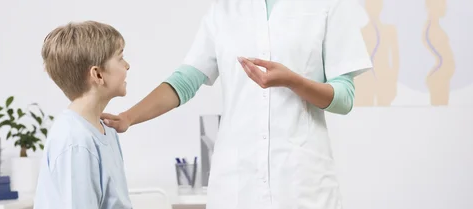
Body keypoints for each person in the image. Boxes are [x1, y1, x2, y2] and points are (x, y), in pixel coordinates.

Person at [102, 0, 372, 208]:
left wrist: (293, 81)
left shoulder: (328, 5)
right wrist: (128, 117)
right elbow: (186, 80)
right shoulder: (226, 9)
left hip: (302, 184)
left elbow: (344, 97)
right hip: (236, 183)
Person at [34, 21, 132, 209]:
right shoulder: (76, 141)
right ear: (98, 75)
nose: (127, 66)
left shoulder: (105, 129)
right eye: (120, 58)